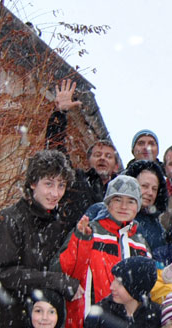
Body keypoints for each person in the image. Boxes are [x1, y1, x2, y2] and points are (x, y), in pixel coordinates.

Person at [0, 149, 80, 328]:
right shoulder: (9, 220)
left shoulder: (55, 224)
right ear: (33, 183)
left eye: (61, 185)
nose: (55, 193)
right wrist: (55, 281)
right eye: (49, 184)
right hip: (8, 326)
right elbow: (3, 273)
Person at [55, 174, 151, 328]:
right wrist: (81, 239)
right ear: (108, 204)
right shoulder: (88, 230)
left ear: (138, 206)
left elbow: (147, 288)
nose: (124, 206)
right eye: (118, 200)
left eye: (131, 201)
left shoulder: (140, 243)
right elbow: (67, 270)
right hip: (85, 324)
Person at [46, 79, 120, 223]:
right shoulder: (76, 181)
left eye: (108, 156)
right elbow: (55, 154)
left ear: (116, 166)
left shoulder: (121, 193)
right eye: (97, 155)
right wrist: (59, 114)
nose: (102, 158)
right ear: (88, 160)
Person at [85, 160, 168, 251]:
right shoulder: (99, 210)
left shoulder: (156, 228)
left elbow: (161, 260)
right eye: (144, 186)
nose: (150, 193)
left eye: (154, 189)